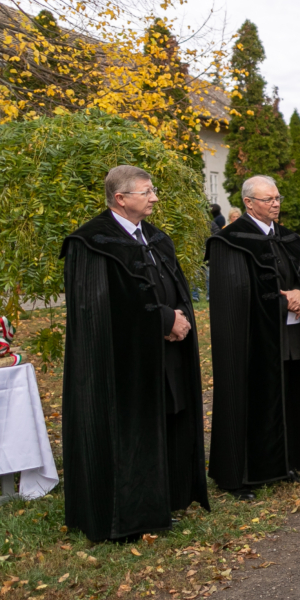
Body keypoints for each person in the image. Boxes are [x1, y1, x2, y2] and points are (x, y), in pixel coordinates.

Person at [61, 166, 207, 541]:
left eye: (153, 190)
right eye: (147, 191)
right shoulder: (92, 242)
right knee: (133, 430)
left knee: (169, 416)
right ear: (121, 198)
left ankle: (168, 500)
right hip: (121, 363)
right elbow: (98, 309)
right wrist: (162, 320)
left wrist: (180, 318)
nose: (155, 197)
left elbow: (173, 285)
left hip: (165, 352)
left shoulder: (156, 238)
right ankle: (131, 513)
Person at [207, 175, 300, 501]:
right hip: (251, 339)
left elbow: (298, 279)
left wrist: (299, 293)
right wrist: (283, 299)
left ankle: (286, 462)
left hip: (288, 331)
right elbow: (236, 295)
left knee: (287, 391)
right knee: (252, 396)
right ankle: (243, 475)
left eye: (277, 198)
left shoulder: (286, 238)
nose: (276, 203)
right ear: (248, 203)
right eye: (268, 199)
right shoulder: (230, 241)